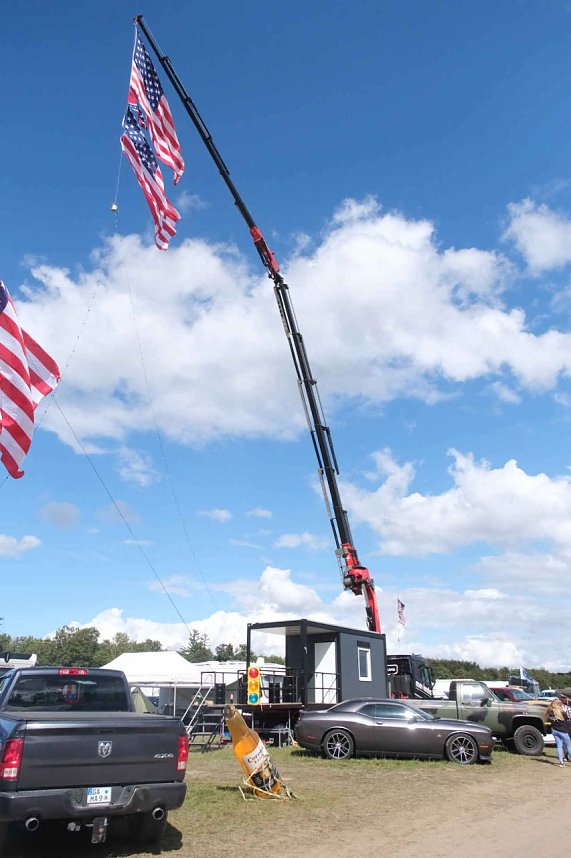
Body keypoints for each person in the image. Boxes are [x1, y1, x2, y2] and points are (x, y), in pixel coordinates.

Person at [546, 695, 571, 767]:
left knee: (559, 747)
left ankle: (561, 763)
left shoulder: (549, 711)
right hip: (563, 731)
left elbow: (548, 720)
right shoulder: (561, 712)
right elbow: (567, 719)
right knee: (569, 746)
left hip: (554, 730)